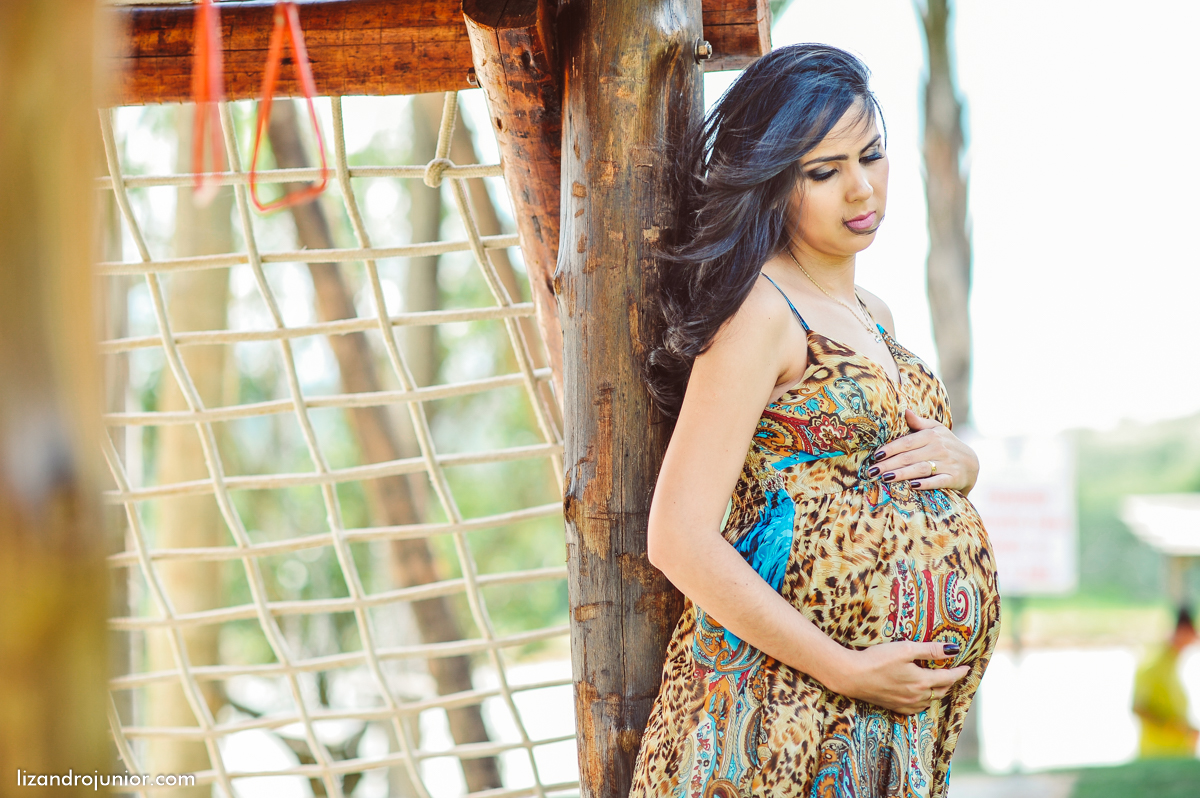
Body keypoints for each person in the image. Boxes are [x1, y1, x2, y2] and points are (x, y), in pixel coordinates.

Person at [628, 44, 1001, 798]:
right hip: (783, 721)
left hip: (883, 727)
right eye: (824, 172)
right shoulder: (761, 313)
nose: (861, 188)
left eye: (872, 156)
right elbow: (678, 536)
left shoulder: (875, 314)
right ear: (772, 183)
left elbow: (872, 472)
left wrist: (963, 466)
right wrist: (846, 668)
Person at [1133, 605, 1199, 758]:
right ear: (1183, 631)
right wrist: (1178, 729)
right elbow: (1139, 708)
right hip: (1157, 756)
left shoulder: (1172, 663)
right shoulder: (1153, 665)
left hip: (1178, 753)